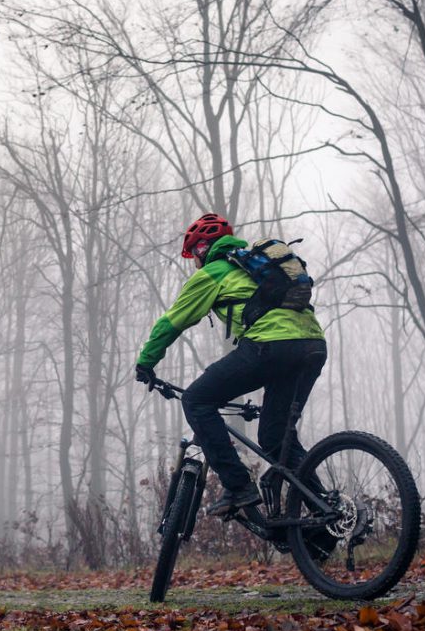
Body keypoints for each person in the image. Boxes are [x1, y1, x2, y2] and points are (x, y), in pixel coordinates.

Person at [135, 213, 327, 517]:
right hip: (313, 345)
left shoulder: (213, 272)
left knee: (197, 399)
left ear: (203, 249)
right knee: (276, 440)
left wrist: (145, 362)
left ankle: (238, 486)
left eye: (194, 253)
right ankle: (326, 512)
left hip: (271, 344)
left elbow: (171, 322)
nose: (195, 261)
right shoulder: (253, 270)